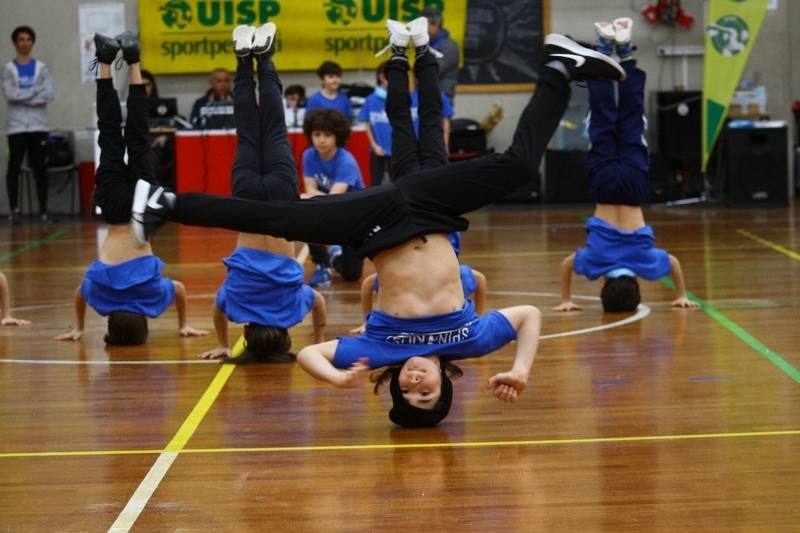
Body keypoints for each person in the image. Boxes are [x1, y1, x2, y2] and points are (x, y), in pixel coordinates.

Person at [132, 25, 626, 426]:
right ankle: (560, 67)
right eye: (425, 394)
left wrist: (337, 378)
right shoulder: (472, 342)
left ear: (392, 385)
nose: (414, 384)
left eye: (405, 393)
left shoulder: (379, 350)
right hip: (431, 208)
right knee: (518, 167)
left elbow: (309, 356)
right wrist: (519, 370)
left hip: (374, 226)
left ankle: (164, 203)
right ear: (444, 385)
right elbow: (529, 316)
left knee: (283, 217)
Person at [55, 32, 209, 345]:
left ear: (145, 319)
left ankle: (134, 59)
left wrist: (183, 324)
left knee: (139, 135)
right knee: (109, 133)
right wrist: (79, 328)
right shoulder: (101, 298)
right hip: (114, 209)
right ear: (110, 321)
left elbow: (179, 290)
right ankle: (106, 60)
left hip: (142, 210)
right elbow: (81, 292)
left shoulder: (152, 297)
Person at [197, 23, 327, 364]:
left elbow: (318, 303)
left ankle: (265, 57)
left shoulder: (292, 311)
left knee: (273, 127)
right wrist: (223, 343)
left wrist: (318, 343)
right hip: (249, 204)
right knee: (247, 130)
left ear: (284, 334)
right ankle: (243, 60)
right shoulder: (237, 307)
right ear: (246, 333)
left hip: (281, 202)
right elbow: (217, 308)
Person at [552, 18, 699, 314]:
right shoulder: (595, 264)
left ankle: (626, 53)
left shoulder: (647, 265)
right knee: (603, 117)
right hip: (605, 184)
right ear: (603, 287)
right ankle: (604, 48)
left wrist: (681, 294)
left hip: (632, 185)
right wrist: (566, 299)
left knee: (631, 119)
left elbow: (673, 263)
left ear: (638, 286)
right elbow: (567, 264)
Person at [350, 231, 486, 335]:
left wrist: (477, 319)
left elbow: (480, 279)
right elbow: (368, 284)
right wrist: (367, 322)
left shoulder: (459, 276)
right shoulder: (399, 279)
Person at [301, 107, 366, 287]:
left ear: (337, 136)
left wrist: (312, 196)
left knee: (351, 275)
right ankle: (322, 265)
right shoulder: (309, 156)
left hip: (354, 216)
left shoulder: (346, 161)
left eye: (327, 135)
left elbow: (333, 198)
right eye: (317, 134)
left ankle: (335, 255)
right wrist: (310, 196)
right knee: (305, 205)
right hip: (330, 209)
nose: (321, 140)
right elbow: (310, 189)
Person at [2, 25, 56, 225]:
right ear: (15, 42)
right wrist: (35, 91)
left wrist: (23, 95)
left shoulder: (42, 68)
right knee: (14, 168)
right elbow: (11, 95)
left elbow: (48, 95)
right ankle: (15, 211)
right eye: (21, 39)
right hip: (16, 127)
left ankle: (43, 210)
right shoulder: (8, 69)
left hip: (38, 126)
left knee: (40, 168)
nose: (25, 43)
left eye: (28, 39)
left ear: (32, 42)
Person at [358, 61, 391, 187]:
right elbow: (367, 125)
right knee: (376, 184)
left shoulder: (399, 98)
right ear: (382, 77)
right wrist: (374, 145)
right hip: (377, 150)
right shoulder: (370, 100)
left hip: (396, 150)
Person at [418, 7, 459, 105]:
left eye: (423, 26)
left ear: (436, 25)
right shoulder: (427, 45)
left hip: (440, 101)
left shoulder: (448, 48)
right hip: (425, 99)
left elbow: (431, 72)